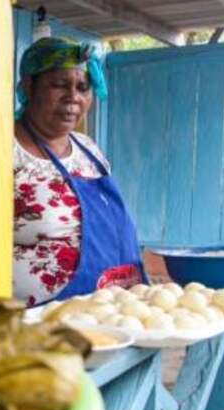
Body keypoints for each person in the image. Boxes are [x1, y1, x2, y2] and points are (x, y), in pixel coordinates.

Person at [13, 36, 144, 306]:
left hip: (113, 311)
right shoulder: (3, 149)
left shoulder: (88, 149)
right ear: (28, 86)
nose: (73, 97)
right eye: (59, 84)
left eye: (83, 87)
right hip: (40, 321)